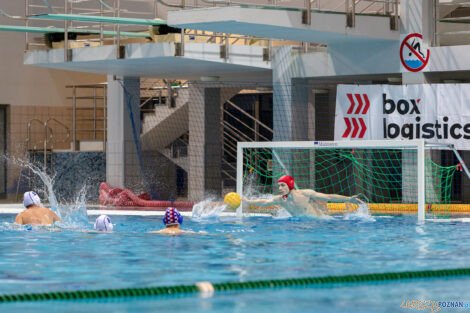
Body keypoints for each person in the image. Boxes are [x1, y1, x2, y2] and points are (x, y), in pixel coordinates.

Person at [243, 175, 362, 217]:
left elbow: (328, 197)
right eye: (279, 186)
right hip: (299, 225)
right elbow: (265, 202)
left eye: (282, 185)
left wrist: (348, 199)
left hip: (318, 224)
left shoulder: (305, 194)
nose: (280, 189)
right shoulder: (281, 200)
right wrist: (248, 201)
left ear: (290, 185)